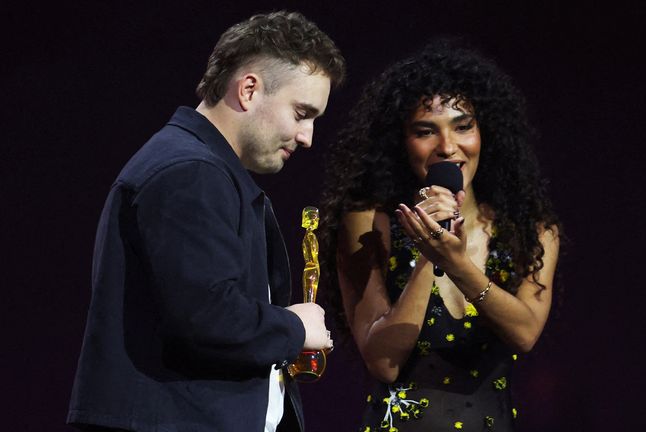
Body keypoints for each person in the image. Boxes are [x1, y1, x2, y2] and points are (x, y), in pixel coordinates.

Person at [67, 11, 345, 432]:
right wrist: (293, 326)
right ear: (249, 89)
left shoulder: (203, 168)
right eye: (301, 113)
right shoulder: (190, 170)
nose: (307, 136)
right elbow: (205, 316)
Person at [320, 41, 561, 431]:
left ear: (487, 132)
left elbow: (525, 332)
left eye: (463, 126)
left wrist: (457, 263)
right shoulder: (369, 223)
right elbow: (383, 362)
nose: (448, 147)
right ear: (401, 141)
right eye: (425, 131)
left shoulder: (530, 232)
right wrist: (429, 255)